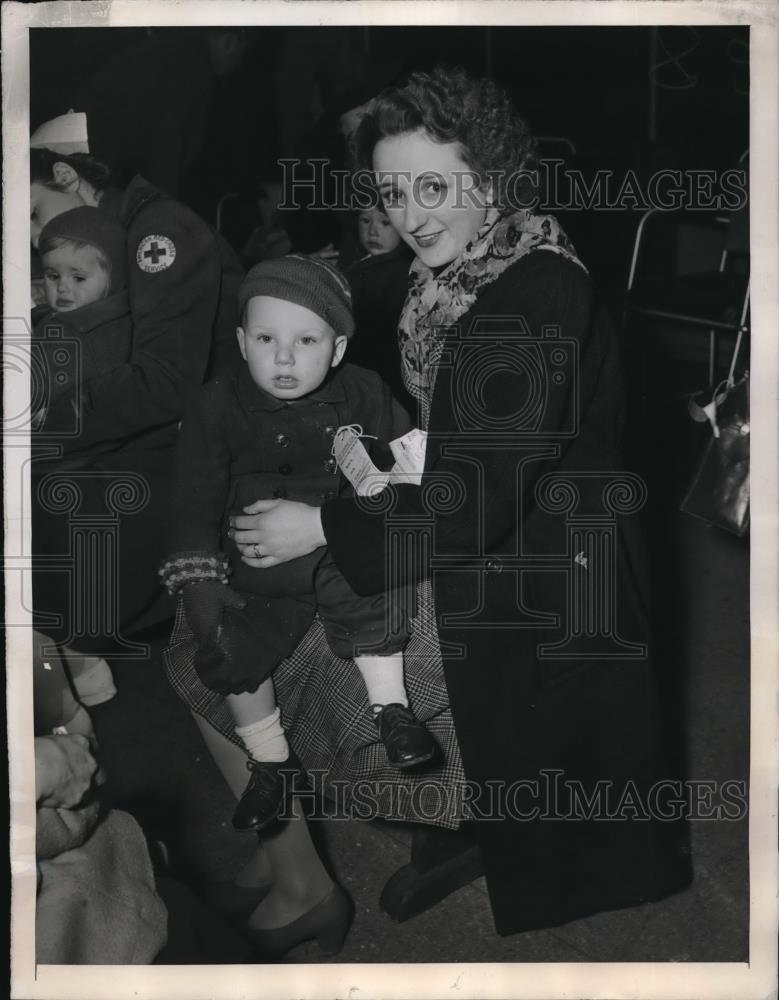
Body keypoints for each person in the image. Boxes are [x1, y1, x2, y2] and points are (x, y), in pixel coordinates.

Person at [218, 66, 692, 939]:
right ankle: (338, 821)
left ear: (494, 180)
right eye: (393, 191)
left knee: (251, 633)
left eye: (434, 186)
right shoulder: (463, 273)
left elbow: (472, 503)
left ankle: (370, 819)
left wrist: (322, 523)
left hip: (550, 570)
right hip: (508, 522)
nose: (411, 213)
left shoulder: (532, 294)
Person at [159, 254, 436, 837]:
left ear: (336, 350)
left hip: (335, 534)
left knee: (378, 583)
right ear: (240, 341)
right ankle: (271, 762)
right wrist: (199, 577)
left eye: (306, 340)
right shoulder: (216, 404)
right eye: (265, 338)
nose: (283, 358)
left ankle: (392, 710)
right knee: (228, 640)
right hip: (255, 556)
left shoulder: (363, 390)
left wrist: (413, 470)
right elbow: (193, 496)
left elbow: (407, 453)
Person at [29, 128, 244, 663]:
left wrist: (44, 426)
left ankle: (75, 646)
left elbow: (167, 382)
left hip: (202, 431)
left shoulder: (158, 230)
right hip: (154, 417)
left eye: (33, 213)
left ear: (65, 176)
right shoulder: (114, 228)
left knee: (49, 485)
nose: (37, 238)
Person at [343, 205, 415, 413]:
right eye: (365, 220)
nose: (373, 231)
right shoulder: (358, 260)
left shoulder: (401, 274)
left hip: (383, 381)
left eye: (385, 222)